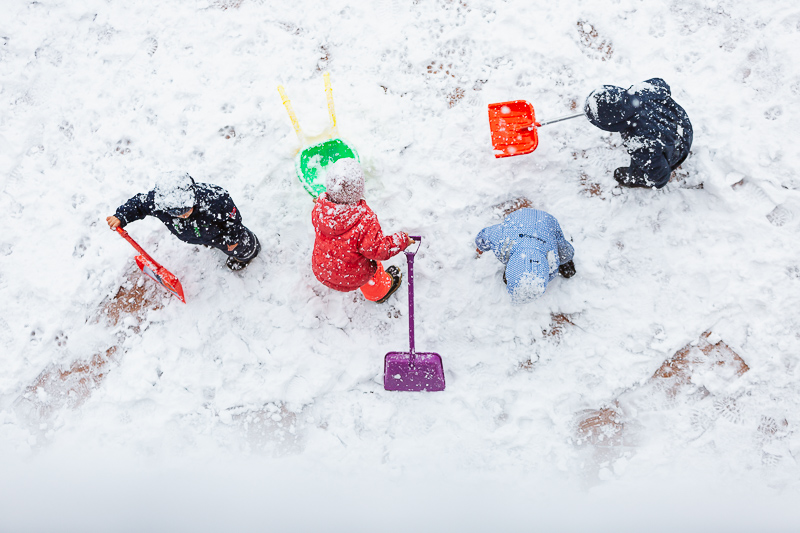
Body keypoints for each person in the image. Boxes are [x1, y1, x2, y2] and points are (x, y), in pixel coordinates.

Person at [106, 171, 260, 271]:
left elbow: (233, 221)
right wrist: (121, 216)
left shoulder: (215, 200)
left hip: (220, 234)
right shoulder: (158, 202)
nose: (183, 215)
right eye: (175, 213)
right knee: (203, 237)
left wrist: (232, 239)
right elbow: (138, 204)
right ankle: (205, 240)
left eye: (187, 209)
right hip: (198, 233)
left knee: (240, 245)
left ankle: (247, 253)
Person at [311, 158, 411, 303]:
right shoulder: (364, 221)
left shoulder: (320, 209)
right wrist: (401, 241)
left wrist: (321, 203)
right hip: (353, 275)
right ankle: (379, 293)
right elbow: (379, 249)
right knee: (373, 272)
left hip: (322, 269)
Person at [584, 78, 693, 189]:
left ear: (612, 125)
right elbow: (661, 84)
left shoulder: (639, 143)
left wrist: (656, 181)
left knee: (645, 164)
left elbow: (660, 174)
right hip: (681, 124)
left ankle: (637, 177)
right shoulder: (642, 90)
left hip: (678, 146)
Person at [476, 208, 575, 304]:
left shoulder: (552, 261)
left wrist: (566, 256)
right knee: (562, 250)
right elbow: (487, 235)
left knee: (562, 250)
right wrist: (481, 244)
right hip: (523, 218)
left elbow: (564, 250)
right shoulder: (503, 244)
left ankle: (566, 261)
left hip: (547, 223)